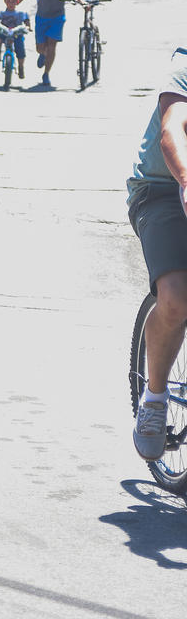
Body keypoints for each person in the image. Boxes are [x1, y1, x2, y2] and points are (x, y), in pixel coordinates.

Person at [127, 47, 187, 461]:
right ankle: (154, 397)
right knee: (178, 295)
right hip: (164, 189)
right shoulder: (185, 67)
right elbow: (173, 130)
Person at [16, 0, 86, 87]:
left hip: (57, 17)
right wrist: (18, 1)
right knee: (40, 47)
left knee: (52, 45)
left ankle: (46, 74)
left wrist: (83, 3)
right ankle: (42, 54)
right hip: (41, 16)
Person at [0, 0, 31, 79]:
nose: (10, 4)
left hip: (16, 33)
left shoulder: (21, 13)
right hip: (4, 32)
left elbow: (27, 22)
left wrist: (28, 27)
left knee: (20, 49)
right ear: (5, 1)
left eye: (13, 1)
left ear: (17, 1)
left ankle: (21, 67)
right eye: (8, 1)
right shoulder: (2, 13)